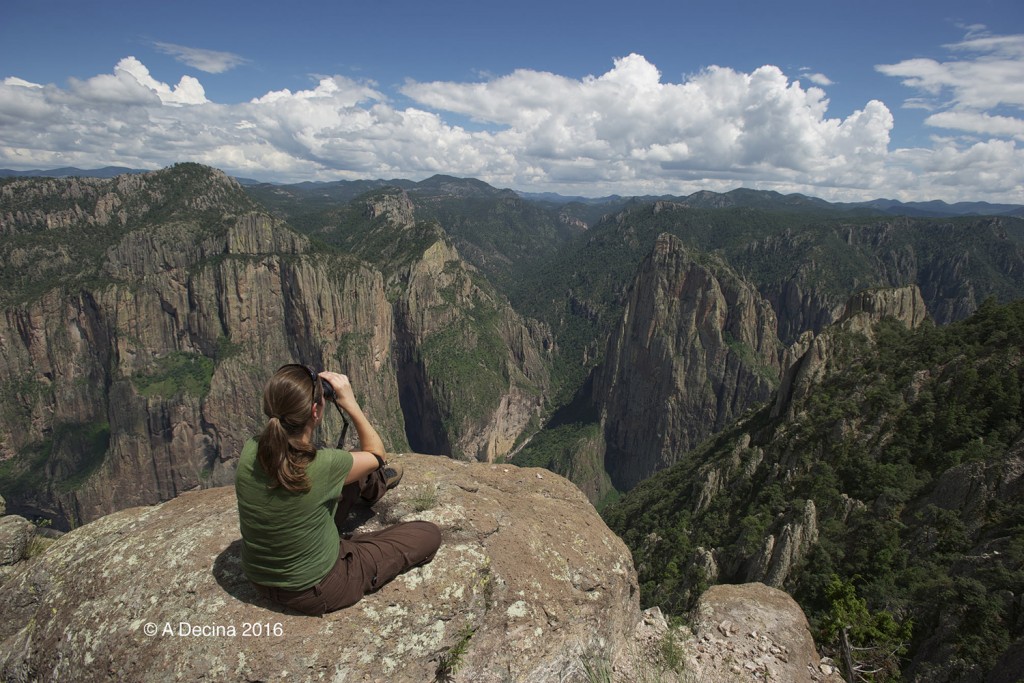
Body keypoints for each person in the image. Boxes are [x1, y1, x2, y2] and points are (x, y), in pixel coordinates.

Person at [235, 363, 442, 616]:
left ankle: (374, 486)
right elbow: (376, 454)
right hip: (318, 587)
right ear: (315, 411)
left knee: (353, 467)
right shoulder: (324, 465)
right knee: (427, 533)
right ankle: (358, 535)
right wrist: (350, 403)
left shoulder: (251, 449)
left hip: (258, 577)